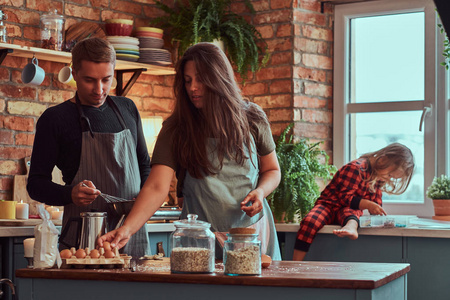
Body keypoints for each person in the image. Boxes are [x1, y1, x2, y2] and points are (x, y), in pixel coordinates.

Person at [99, 42, 282, 260]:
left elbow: (272, 170)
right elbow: (157, 186)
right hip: (200, 239)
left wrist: (261, 192)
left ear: (218, 78)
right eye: (188, 81)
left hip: (252, 233)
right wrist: (127, 229)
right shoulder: (177, 128)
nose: (193, 87)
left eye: (201, 79)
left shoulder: (252, 118)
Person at [27, 37, 151, 257]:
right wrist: (70, 194)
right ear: (74, 74)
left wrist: (140, 207)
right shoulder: (55, 119)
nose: (99, 89)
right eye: (89, 80)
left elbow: (145, 169)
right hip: (82, 241)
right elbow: (36, 184)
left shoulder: (128, 109)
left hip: (132, 233)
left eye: (106, 79)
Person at [292, 143, 415, 261]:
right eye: (389, 175)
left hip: (347, 210)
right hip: (328, 205)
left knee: (352, 214)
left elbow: (375, 204)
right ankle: (296, 263)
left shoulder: (378, 177)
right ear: (382, 160)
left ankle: (351, 227)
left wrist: (380, 215)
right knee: (310, 222)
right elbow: (344, 198)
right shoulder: (356, 168)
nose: (388, 179)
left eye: (392, 177)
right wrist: (367, 204)